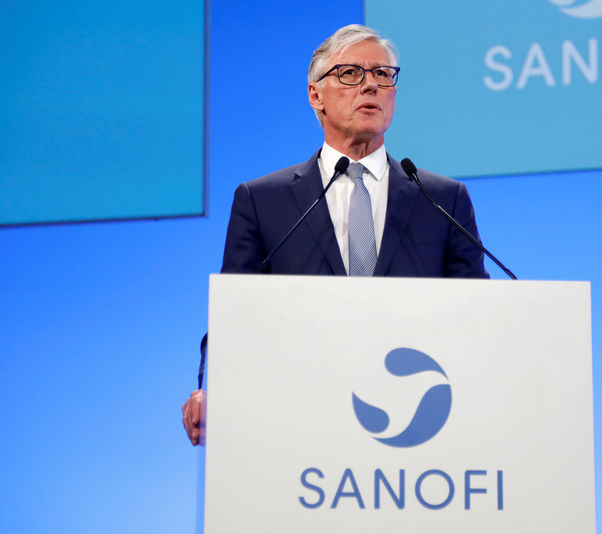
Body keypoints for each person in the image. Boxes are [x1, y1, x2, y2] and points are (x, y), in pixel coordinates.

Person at [182, 24, 489, 446]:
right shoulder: (262, 200)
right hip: (301, 419)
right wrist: (210, 388)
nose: (371, 86)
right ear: (315, 95)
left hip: (419, 418)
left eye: (383, 75)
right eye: (350, 74)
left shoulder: (442, 198)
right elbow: (233, 315)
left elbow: (478, 313)